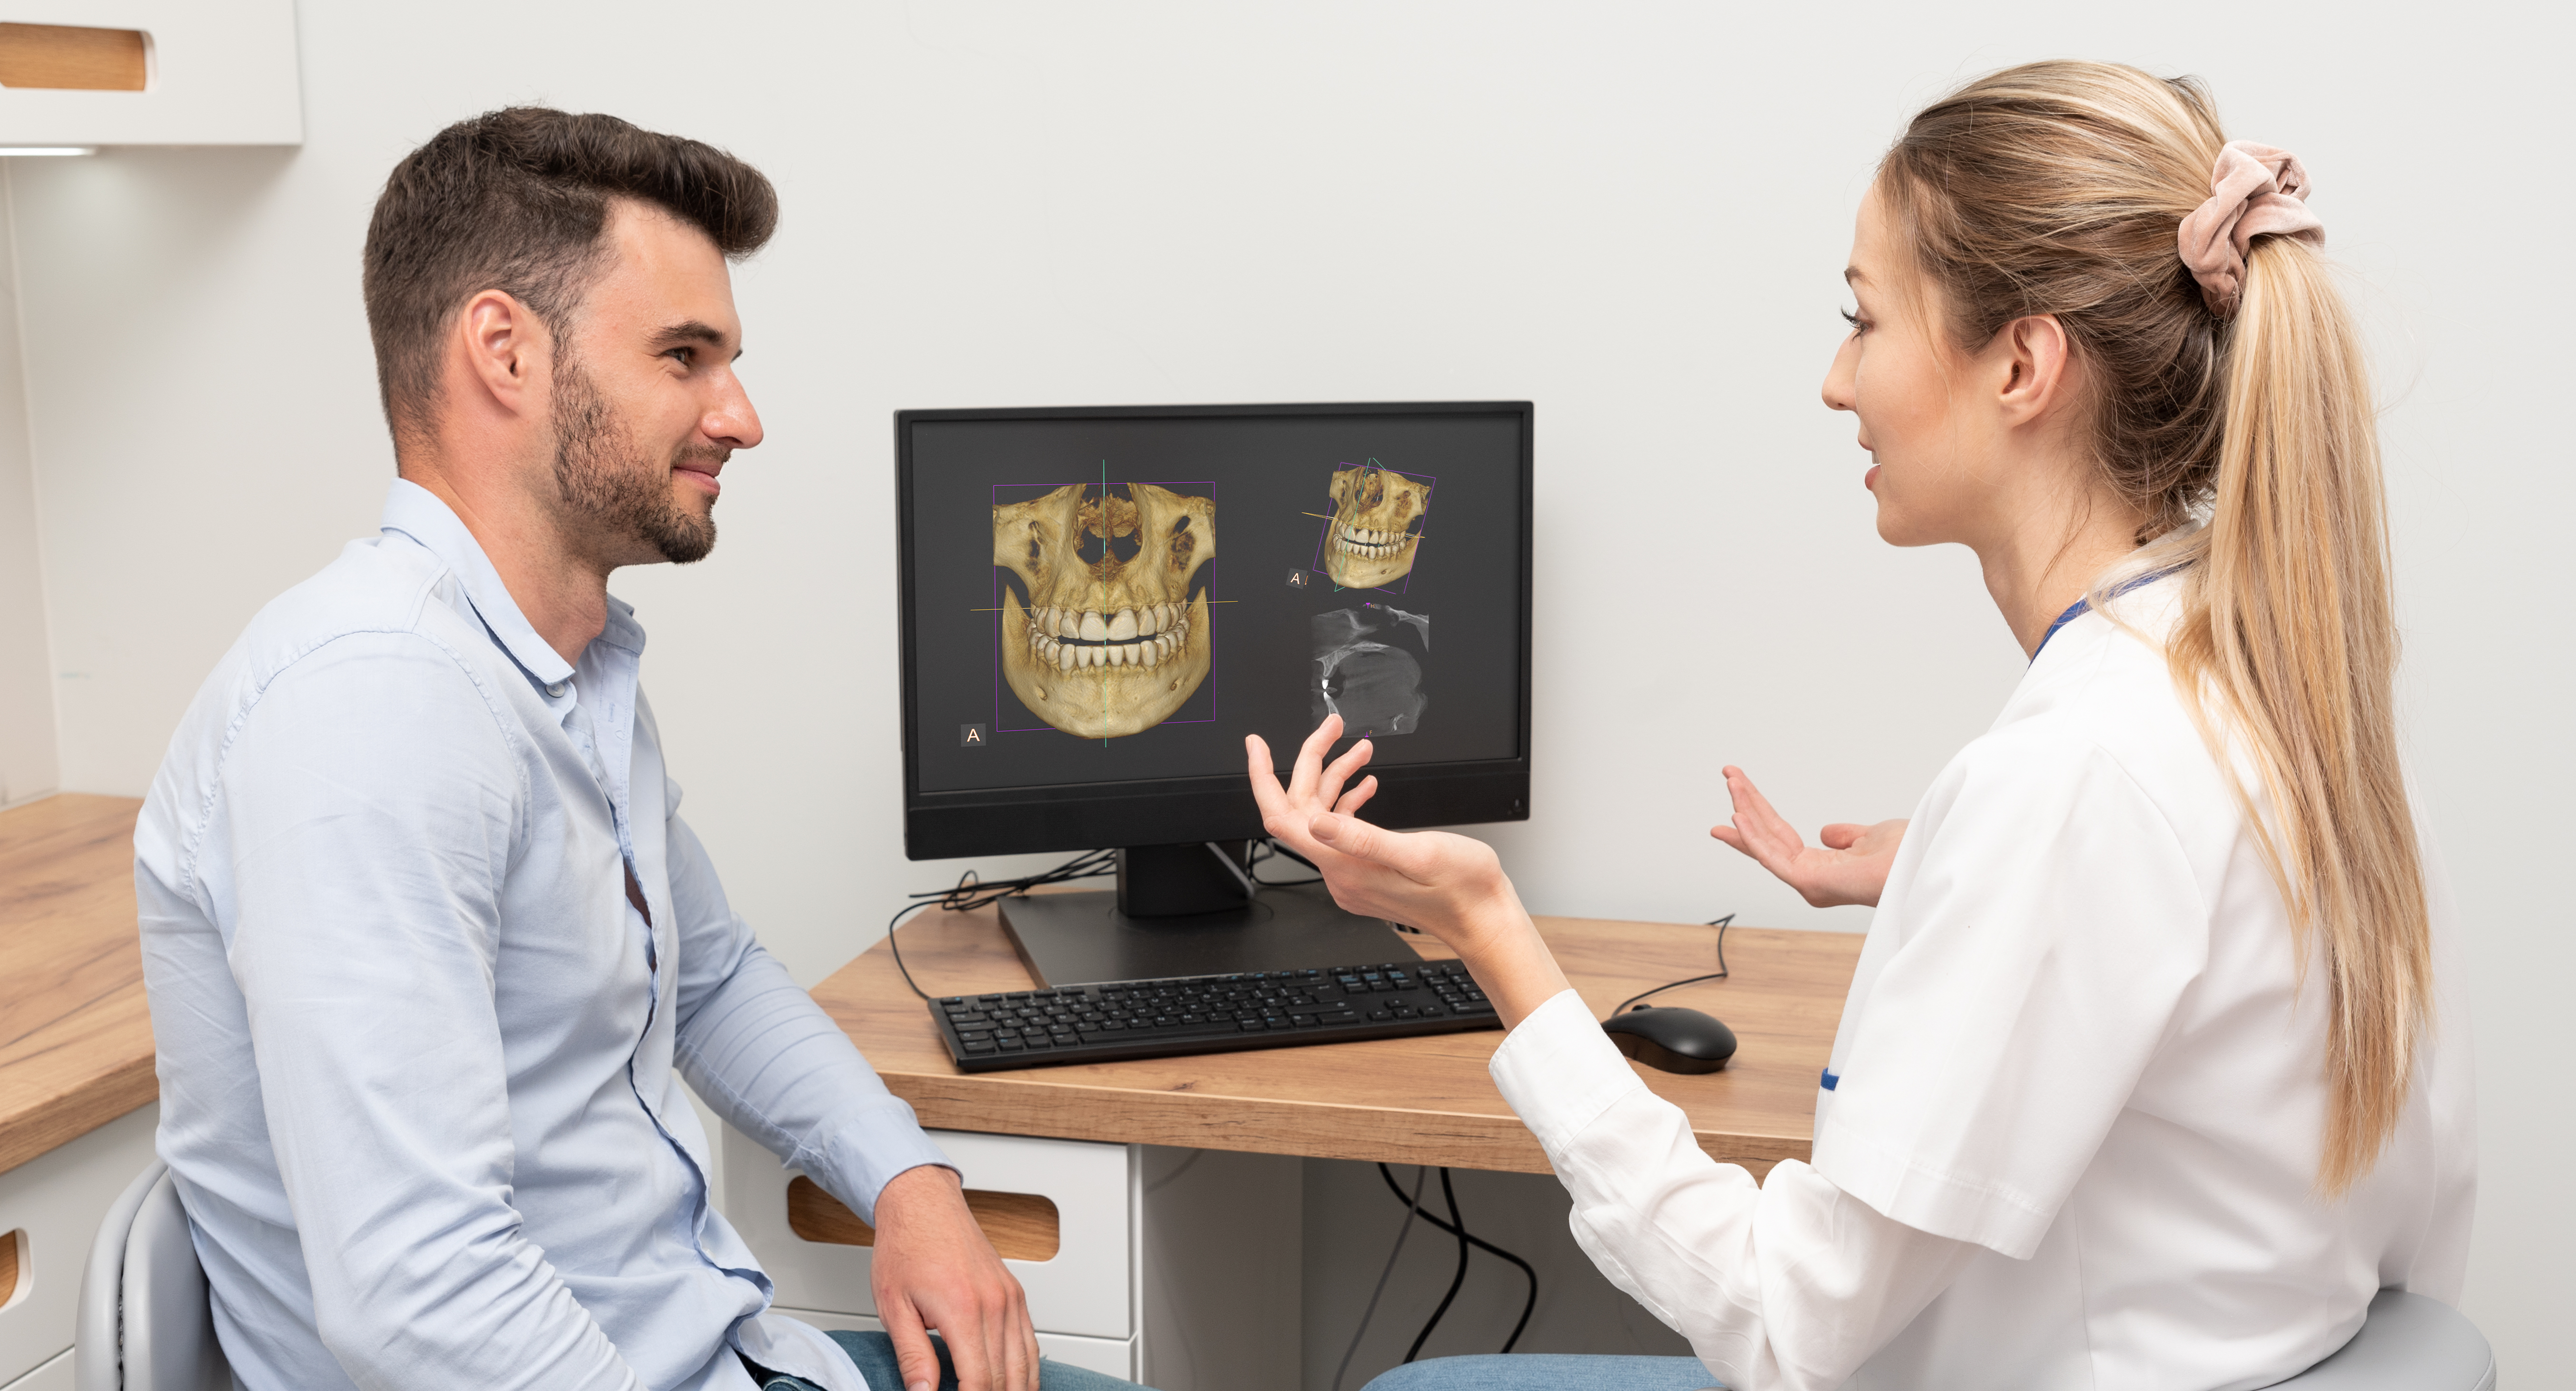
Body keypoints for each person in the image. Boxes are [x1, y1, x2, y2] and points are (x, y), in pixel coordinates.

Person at [1250, 61, 2472, 1391]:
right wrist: (1950, 877)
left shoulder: (2071, 784)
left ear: (2023, 363)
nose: (1838, 383)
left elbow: (1786, 1327)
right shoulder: (2267, 693)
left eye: (1865, 320)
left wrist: (1486, 930)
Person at [135, 109, 1151, 1391]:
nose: (742, 415)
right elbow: (419, 1298)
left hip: (718, 1350)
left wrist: (909, 1181)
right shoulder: (369, 715)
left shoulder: (559, 670)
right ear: (503, 350)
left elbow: (711, 981)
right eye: (685, 356)